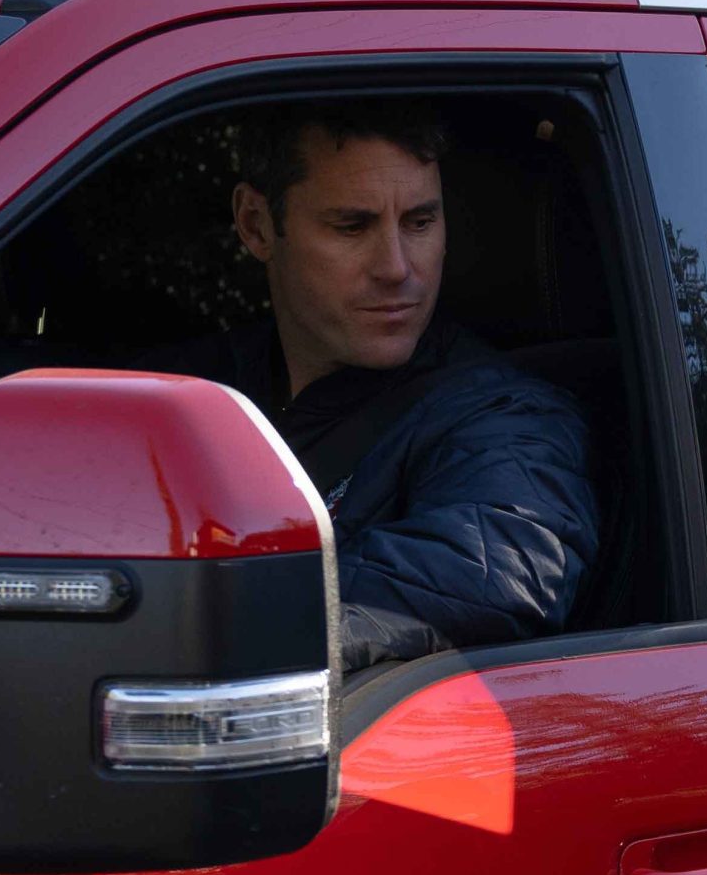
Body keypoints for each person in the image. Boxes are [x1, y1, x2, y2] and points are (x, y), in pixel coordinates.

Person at [222, 101, 599, 669]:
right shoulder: (207, 384)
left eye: (420, 222)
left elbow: (505, 565)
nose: (397, 267)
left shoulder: (504, 413)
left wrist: (206, 610)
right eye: (353, 226)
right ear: (256, 225)